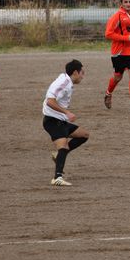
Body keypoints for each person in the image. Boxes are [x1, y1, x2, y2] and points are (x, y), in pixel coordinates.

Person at [42, 59, 89, 187]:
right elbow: (49, 101)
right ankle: (57, 178)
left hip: (60, 120)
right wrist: (66, 112)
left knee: (84, 135)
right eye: (82, 73)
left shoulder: (67, 81)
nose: (83, 76)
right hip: (52, 121)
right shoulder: (63, 83)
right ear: (75, 72)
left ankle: (59, 156)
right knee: (63, 146)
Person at [104, 0, 130, 113]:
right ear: (121, 3)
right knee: (117, 77)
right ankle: (108, 93)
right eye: (125, 2)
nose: (128, 4)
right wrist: (125, 38)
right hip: (119, 52)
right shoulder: (117, 16)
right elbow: (108, 34)